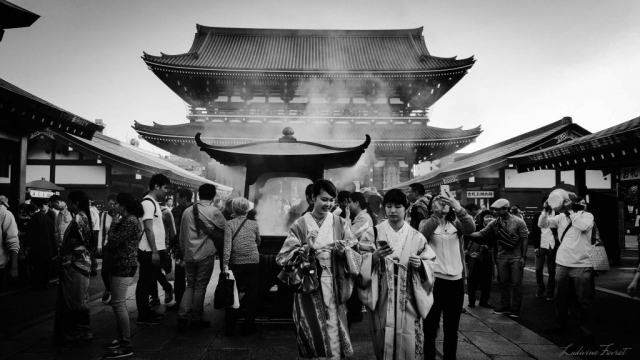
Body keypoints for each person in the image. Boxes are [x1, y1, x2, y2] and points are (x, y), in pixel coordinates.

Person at [276, 179, 361, 359]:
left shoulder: (340, 223)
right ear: (312, 198)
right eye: (324, 199)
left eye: (331, 200)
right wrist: (306, 249)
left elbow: (354, 249)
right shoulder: (300, 224)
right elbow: (283, 257)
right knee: (310, 326)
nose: (328, 204)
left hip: (334, 281)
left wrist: (343, 251)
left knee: (334, 328)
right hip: (308, 283)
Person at [359, 189, 437, 360]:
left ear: (406, 208)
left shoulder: (417, 236)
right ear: (383, 208)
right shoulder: (372, 233)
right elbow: (358, 261)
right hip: (381, 294)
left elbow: (431, 263)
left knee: (409, 341)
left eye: (397, 206)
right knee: (382, 337)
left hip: (409, 296)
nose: (392, 210)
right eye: (388, 206)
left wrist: (421, 265)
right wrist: (375, 256)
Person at [420, 191, 475, 360]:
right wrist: (437, 214)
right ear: (430, 206)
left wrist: (457, 207)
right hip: (434, 281)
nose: (441, 203)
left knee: (451, 328)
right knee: (430, 327)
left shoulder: (456, 223)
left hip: (455, 282)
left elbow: (471, 228)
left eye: (443, 201)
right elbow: (422, 236)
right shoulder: (425, 222)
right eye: (436, 201)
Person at [539, 193, 595, 344]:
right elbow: (542, 224)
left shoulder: (587, 216)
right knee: (560, 297)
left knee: (583, 299)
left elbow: (583, 227)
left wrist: (571, 212)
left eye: (567, 201)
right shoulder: (560, 217)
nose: (564, 204)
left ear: (575, 202)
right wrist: (545, 210)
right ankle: (561, 325)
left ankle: (585, 329)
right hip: (562, 263)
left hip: (581, 264)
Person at [468, 199, 528, 319]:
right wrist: (465, 232)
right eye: (495, 209)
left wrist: (523, 256)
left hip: (516, 256)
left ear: (506, 209)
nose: (496, 212)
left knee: (516, 284)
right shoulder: (494, 223)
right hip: (501, 256)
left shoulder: (519, 221)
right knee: (503, 283)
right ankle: (505, 307)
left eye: (498, 210)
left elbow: (524, 239)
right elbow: (481, 234)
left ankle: (515, 309)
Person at [177, 183, 226, 330]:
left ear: (199, 194)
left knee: (190, 284)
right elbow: (226, 228)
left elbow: (181, 235)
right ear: (213, 195)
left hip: (189, 254)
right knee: (200, 287)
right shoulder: (214, 212)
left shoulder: (187, 211)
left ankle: (183, 315)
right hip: (205, 253)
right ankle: (197, 318)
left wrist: (183, 252)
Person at [103, 193, 143, 359]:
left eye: (117, 204)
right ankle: (121, 339)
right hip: (119, 264)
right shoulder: (128, 220)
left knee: (119, 304)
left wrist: (113, 224)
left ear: (124, 206)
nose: (115, 206)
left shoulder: (130, 221)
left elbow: (113, 241)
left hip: (124, 265)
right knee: (117, 304)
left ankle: (126, 345)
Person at [53, 191, 93, 345]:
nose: (68, 205)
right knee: (80, 297)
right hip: (83, 261)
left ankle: (76, 332)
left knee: (74, 299)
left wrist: (60, 256)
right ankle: (83, 331)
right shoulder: (85, 217)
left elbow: (70, 242)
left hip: (75, 262)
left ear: (75, 203)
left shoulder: (78, 220)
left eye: (69, 202)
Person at [223, 197, 261, 336]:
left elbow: (227, 247)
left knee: (232, 294)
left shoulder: (229, 224)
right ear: (247, 209)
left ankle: (230, 327)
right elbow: (258, 241)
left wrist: (225, 266)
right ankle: (248, 326)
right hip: (252, 262)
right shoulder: (254, 224)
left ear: (234, 209)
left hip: (235, 263)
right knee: (252, 294)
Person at [136, 174, 171, 325]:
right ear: (156, 186)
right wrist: (155, 251)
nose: (166, 192)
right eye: (165, 188)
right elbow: (148, 229)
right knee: (145, 283)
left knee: (149, 282)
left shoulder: (153, 203)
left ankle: (146, 312)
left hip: (155, 249)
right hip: (149, 251)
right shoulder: (148, 203)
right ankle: (143, 316)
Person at [345, 191, 376, 326]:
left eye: (350, 202)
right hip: (359, 258)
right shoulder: (360, 217)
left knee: (357, 288)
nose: (348, 205)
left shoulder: (365, 218)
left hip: (362, 259)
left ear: (357, 203)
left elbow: (349, 235)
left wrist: (346, 218)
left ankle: (355, 313)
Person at [167, 188, 193, 312]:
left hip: (192, 248)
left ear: (184, 198)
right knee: (179, 275)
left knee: (193, 277)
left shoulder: (195, 211)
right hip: (179, 248)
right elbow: (172, 230)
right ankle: (179, 301)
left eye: (178, 198)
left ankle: (191, 302)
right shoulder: (175, 210)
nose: (177, 201)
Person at [466, 209, 496, 309]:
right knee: (473, 279)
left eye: (491, 216)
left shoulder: (495, 229)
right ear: (482, 218)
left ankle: (484, 301)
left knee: (487, 280)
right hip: (476, 255)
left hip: (488, 256)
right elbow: (468, 239)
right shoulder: (476, 227)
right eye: (487, 216)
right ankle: (471, 301)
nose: (489, 218)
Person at [531, 197, 559, 301]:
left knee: (552, 270)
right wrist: (536, 247)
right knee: (538, 269)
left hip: (552, 246)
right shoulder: (538, 216)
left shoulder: (558, 216)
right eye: (546, 203)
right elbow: (534, 232)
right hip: (541, 245)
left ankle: (550, 291)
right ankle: (540, 287)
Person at [26, 199, 57, 291]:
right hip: (49, 247)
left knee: (37, 267)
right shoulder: (47, 218)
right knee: (45, 268)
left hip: (38, 248)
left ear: (30, 212)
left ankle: (37, 284)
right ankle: (45, 284)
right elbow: (52, 232)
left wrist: (28, 247)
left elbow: (31, 235)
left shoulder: (34, 219)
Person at [149, 202, 175, 307]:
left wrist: (172, 247)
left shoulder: (166, 212)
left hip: (162, 247)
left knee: (154, 272)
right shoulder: (146, 212)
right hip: (148, 247)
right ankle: (156, 295)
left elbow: (173, 230)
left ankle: (165, 289)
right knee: (152, 272)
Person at [98, 194, 118, 302]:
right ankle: (109, 289)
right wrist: (99, 245)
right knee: (104, 272)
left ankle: (114, 295)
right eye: (110, 203)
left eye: (114, 203)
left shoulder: (120, 216)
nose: (112, 206)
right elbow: (101, 230)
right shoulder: (105, 215)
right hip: (106, 245)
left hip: (117, 247)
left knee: (114, 272)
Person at [0, 196, 19, 290]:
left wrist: (14, 266)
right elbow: (12, 241)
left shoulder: (4, 213)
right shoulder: (5, 213)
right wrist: (14, 266)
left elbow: (12, 241)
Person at [88, 198, 101, 277]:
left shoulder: (90, 210)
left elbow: (91, 222)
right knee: (91, 251)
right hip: (96, 231)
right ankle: (94, 268)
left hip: (92, 231)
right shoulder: (96, 211)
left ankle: (93, 268)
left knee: (90, 252)